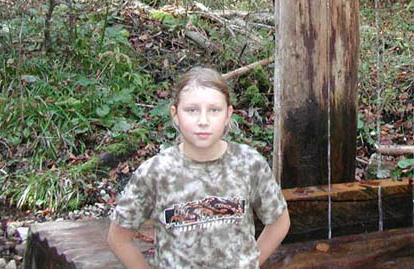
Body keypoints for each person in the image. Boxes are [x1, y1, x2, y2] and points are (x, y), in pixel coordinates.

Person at [108, 66, 290, 268]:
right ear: (175, 114)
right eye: (192, 110)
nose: (203, 121)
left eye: (214, 110)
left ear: (228, 114)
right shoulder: (155, 172)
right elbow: (119, 239)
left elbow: (279, 222)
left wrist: (250, 263)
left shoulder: (249, 163)